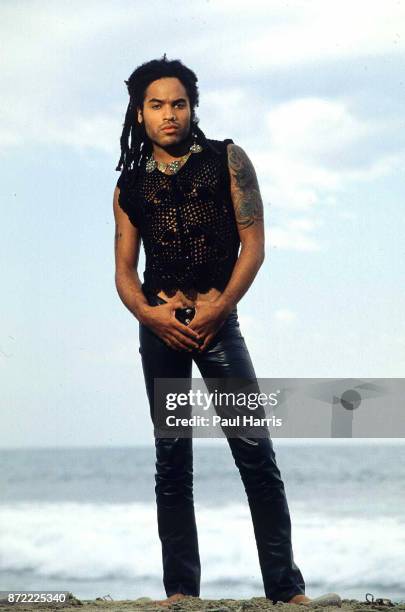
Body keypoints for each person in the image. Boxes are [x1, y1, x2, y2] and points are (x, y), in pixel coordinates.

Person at [113, 55, 341, 608]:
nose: (169, 114)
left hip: (219, 326)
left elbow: (253, 245)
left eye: (179, 103)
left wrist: (222, 307)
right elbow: (123, 272)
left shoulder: (227, 160)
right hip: (161, 330)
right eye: (157, 105)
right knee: (172, 459)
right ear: (139, 114)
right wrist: (150, 315)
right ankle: (180, 592)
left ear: (193, 108)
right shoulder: (129, 186)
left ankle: (286, 590)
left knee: (255, 452)